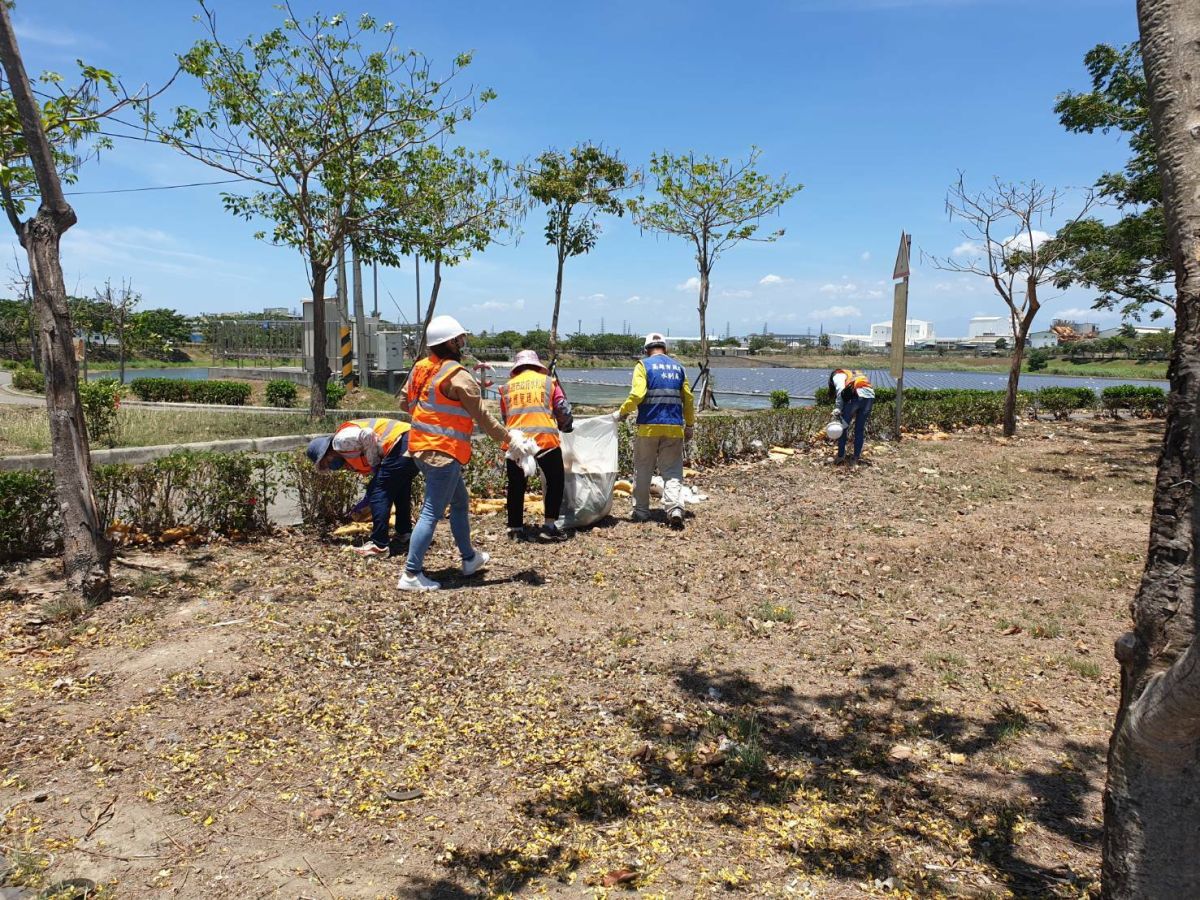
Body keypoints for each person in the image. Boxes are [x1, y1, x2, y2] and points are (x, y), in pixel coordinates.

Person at [397, 314, 514, 591]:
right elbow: (482, 416)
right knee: (430, 512)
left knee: (460, 502)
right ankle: (411, 574)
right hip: (443, 453)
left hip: (419, 448)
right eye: (460, 338)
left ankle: (469, 558)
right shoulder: (457, 375)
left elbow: (405, 401)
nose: (463, 342)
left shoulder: (422, 368)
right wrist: (510, 441)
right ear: (450, 342)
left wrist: (430, 416)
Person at [615, 332, 695, 529]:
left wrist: (622, 412)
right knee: (672, 471)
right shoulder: (679, 368)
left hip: (648, 427)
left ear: (646, 349)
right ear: (665, 349)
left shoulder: (643, 366)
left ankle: (641, 512)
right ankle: (674, 508)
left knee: (643, 469)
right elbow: (689, 398)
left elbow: (637, 393)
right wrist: (690, 425)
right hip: (674, 428)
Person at [306, 418, 416, 557]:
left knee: (379, 492)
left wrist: (374, 463)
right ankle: (404, 533)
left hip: (400, 442)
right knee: (400, 489)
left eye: (326, 463)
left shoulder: (339, 442)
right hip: (412, 439)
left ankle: (378, 545)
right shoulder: (346, 452)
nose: (330, 467)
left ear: (328, 451)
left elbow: (367, 434)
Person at [498, 349, 574, 542]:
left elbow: (505, 417)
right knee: (554, 481)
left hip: (517, 443)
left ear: (517, 367)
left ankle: (515, 528)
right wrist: (566, 425)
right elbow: (562, 408)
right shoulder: (549, 382)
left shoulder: (506, 387)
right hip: (545, 440)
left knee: (516, 485)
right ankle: (549, 526)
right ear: (537, 365)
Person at [829, 367, 876, 465]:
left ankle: (841, 456)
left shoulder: (838, 375)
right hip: (870, 396)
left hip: (856, 396)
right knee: (859, 429)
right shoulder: (854, 373)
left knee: (843, 427)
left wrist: (838, 408)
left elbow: (840, 389)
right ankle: (855, 458)